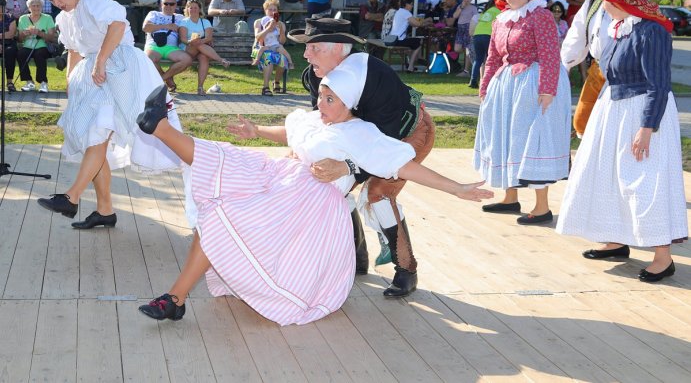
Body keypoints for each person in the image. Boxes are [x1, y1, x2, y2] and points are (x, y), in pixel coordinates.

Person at [135, 73, 491, 325]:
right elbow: (293, 133)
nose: (321, 102)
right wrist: (256, 130)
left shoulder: (362, 133)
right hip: (284, 180)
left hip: (311, 204)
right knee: (226, 166)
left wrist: (457, 188)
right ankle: (175, 299)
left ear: (350, 103)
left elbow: (405, 166)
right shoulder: (315, 119)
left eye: (330, 98)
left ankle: (162, 128)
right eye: (321, 95)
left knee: (222, 216)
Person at [556, 0, 686, 283]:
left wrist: (646, 128)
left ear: (621, 0)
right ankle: (616, 240)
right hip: (613, 110)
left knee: (645, 183)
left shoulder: (651, 30)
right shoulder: (619, 27)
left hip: (643, 112)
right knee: (609, 177)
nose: (604, 5)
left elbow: (658, 84)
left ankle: (663, 257)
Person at [291, 18, 436, 297]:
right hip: (360, 136)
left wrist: (346, 166)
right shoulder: (315, 75)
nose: (306, 55)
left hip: (406, 134)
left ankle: (406, 269)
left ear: (340, 49)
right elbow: (323, 125)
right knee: (330, 185)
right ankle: (357, 257)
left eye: (314, 48)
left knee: (379, 193)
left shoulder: (376, 76)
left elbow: (382, 148)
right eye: (306, 48)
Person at [35, 0, 182, 229]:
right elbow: (74, 51)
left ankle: (72, 197)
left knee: (99, 134)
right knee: (94, 136)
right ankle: (104, 210)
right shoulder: (65, 17)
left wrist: (101, 61)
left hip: (121, 68)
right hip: (93, 74)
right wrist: (71, 84)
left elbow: (117, 24)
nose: (57, 2)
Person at [473, 0, 571, 225]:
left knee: (533, 139)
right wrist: (485, 87)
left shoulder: (540, 16)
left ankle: (541, 207)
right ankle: (510, 197)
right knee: (507, 137)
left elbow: (551, 54)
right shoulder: (500, 19)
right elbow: (493, 57)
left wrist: (548, 89)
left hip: (534, 83)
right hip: (507, 86)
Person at [561, 0, 634, 138]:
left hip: (627, 73)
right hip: (598, 69)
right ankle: (591, 162)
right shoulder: (593, 0)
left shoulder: (636, 0)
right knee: (581, 122)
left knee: (618, 126)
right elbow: (576, 35)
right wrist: (564, 66)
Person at [178, 0, 230, 96]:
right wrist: (192, 41)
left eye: (195, 8)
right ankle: (221, 60)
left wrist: (200, 41)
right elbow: (183, 39)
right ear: (187, 9)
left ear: (199, 9)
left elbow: (209, 37)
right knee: (197, 43)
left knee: (204, 57)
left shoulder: (205, 22)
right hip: (188, 49)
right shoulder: (184, 22)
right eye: (191, 8)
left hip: (202, 49)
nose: (193, 10)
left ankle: (200, 87)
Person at [143, 0, 193, 93]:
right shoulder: (154, 14)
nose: (169, 6)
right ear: (161, 4)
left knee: (187, 59)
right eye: (166, 3)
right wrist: (166, 26)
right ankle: (168, 79)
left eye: (172, 4)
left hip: (172, 48)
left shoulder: (180, 18)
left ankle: (162, 79)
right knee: (148, 59)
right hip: (154, 46)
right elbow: (145, 27)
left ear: (176, 5)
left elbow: (189, 32)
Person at [16, 0, 57, 93]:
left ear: (42, 7)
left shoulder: (47, 18)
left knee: (39, 55)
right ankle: (29, 82)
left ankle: (43, 82)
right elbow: (19, 39)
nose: (36, 8)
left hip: (43, 46)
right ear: (29, 7)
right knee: (21, 54)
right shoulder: (23, 18)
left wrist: (39, 33)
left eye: (38, 5)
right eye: (33, 6)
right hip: (27, 46)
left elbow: (51, 38)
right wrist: (23, 34)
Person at [253, 0, 291, 96]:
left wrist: (281, 30)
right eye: (270, 9)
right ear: (265, 10)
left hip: (275, 48)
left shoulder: (281, 24)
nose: (272, 12)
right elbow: (257, 37)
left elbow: (282, 42)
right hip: (261, 48)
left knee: (283, 59)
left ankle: (276, 82)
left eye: (275, 10)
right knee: (268, 58)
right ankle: (265, 87)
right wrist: (268, 28)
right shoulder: (259, 22)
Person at [469, 0, 500, 89]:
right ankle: (488, 80)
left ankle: (473, 80)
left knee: (478, 59)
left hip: (477, 35)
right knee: (490, 58)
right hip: (488, 35)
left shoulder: (485, 12)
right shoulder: (498, 11)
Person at [388, 0, 424, 73]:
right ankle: (411, 67)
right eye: (411, 4)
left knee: (412, 44)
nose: (412, 6)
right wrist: (426, 22)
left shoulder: (399, 11)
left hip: (392, 39)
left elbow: (413, 24)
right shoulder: (406, 13)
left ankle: (411, 63)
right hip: (398, 40)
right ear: (406, 4)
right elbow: (417, 24)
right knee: (419, 41)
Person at [452, 0, 478, 76]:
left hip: (468, 28)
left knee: (467, 49)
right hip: (460, 29)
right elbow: (455, 16)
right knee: (457, 49)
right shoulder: (459, 6)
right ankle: (470, 53)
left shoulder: (473, 8)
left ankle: (466, 71)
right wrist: (461, 8)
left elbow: (476, 18)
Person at [1, 10, 18, 92]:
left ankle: (9, 82)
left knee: (10, 51)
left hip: (8, 43)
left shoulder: (10, 17)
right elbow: (6, 34)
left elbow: (11, 34)